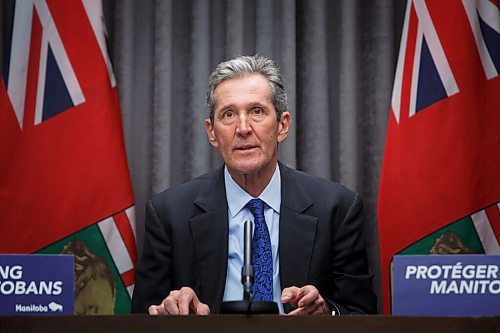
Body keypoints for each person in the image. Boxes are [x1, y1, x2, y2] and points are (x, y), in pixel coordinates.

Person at [131, 55, 377, 315]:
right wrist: (174, 315)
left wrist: (327, 313)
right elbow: (141, 319)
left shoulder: (336, 209)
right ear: (212, 132)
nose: (243, 128)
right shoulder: (169, 214)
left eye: (257, 111)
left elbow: (362, 314)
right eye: (228, 114)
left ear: (282, 126)